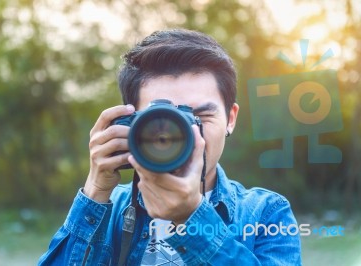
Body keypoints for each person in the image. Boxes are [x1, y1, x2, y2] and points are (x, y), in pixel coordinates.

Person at [39, 29, 301, 265]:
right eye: (161, 120)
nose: (182, 135)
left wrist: (192, 219)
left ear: (230, 119)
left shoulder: (266, 212)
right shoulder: (112, 204)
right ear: (131, 126)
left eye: (200, 118)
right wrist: (95, 191)